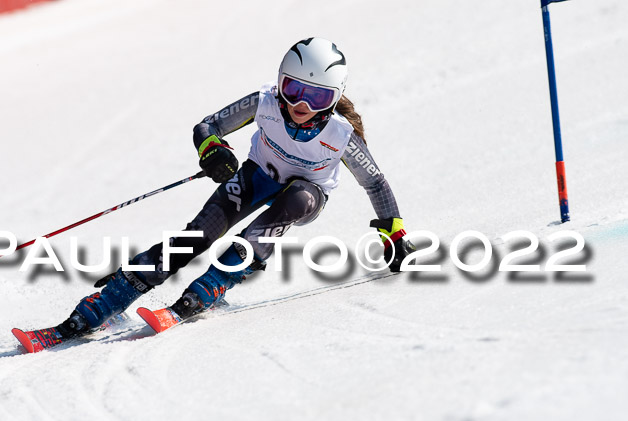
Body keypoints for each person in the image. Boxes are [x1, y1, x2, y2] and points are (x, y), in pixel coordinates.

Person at [56, 37, 416, 337]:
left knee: (296, 199)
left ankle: (213, 284)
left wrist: (394, 233)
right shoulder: (264, 102)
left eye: (317, 97)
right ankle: (113, 298)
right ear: (280, 83)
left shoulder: (341, 135)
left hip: (306, 194)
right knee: (198, 234)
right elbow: (207, 126)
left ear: (334, 99)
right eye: (293, 90)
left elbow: (375, 183)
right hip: (258, 175)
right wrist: (212, 150)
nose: (301, 105)